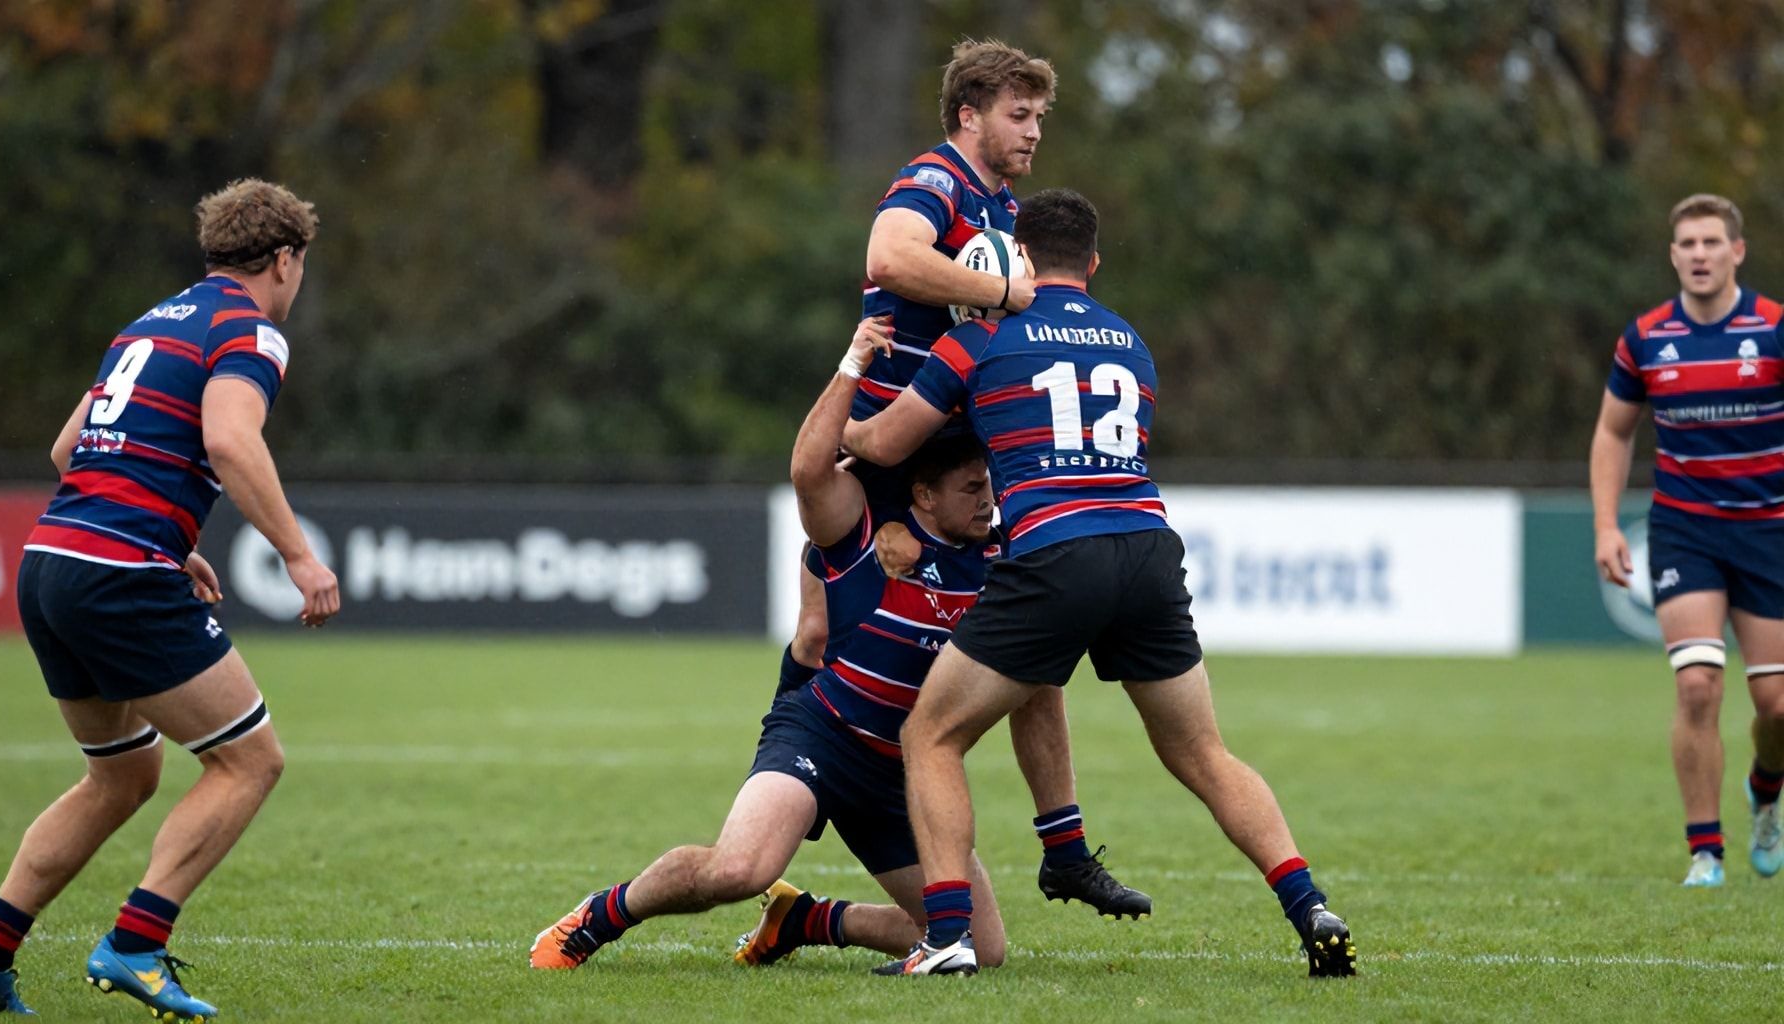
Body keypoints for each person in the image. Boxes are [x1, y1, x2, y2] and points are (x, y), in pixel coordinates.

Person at [844, 188, 1356, 978]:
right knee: (1203, 752)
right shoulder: (1130, 341)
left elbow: (883, 444)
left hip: (1055, 553)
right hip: (1148, 549)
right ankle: (1309, 905)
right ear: (1093, 261)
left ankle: (947, 938)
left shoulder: (979, 339)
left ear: (1017, 258)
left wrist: (833, 427)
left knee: (932, 736)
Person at [779, 37, 1148, 920]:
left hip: (955, 459)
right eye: (1019, 115)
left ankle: (1064, 848)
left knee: (1034, 637)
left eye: (1039, 117)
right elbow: (890, 258)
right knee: (822, 633)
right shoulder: (934, 181)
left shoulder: (1003, 206)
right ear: (968, 114)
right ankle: (794, 765)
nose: (1033, 131)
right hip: (890, 457)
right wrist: (1008, 297)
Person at [530, 318, 1008, 973]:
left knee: (983, 947)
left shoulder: (1001, 561)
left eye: (989, 487)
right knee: (738, 871)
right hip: (824, 734)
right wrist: (853, 363)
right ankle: (602, 915)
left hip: (905, 770)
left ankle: (805, 920)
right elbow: (809, 471)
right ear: (923, 493)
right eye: (972, 490)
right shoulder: (865, 534)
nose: (987, 502)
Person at [0, 179, 339, 1019]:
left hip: (52, 562)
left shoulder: (149, 323)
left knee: (121, 776)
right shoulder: (249, 330)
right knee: (250, 761)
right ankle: (136, 944)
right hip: (118, 573)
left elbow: (69, 448)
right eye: (301, 265)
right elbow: (229, 439)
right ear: (284, 260)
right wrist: (299, 556)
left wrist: (171, 540)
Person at [1592, 192, 1784, 887]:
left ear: (1737, 251)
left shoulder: (1774, 329)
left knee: (1777, 708)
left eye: (1712, 242)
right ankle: (1706, 852)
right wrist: (1606, 524)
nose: (1700, 254)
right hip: (1685, 530)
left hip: (1769, 530)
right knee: (1698, 686)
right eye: (1688, 244)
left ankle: (1765, 790)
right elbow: (1614, 430)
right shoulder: (1646, 337)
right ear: (1673, 255)